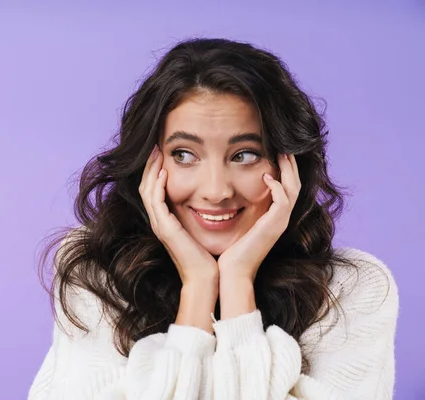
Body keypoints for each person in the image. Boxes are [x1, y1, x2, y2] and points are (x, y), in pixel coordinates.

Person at [28, 38, 399, 399]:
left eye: (245, 155)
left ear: (288, 165)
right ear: (148, 164)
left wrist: (237, 282)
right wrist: (199, 285)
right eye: (185, 155)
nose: (216, 190)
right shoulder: (95, 273)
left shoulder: (351, 290)